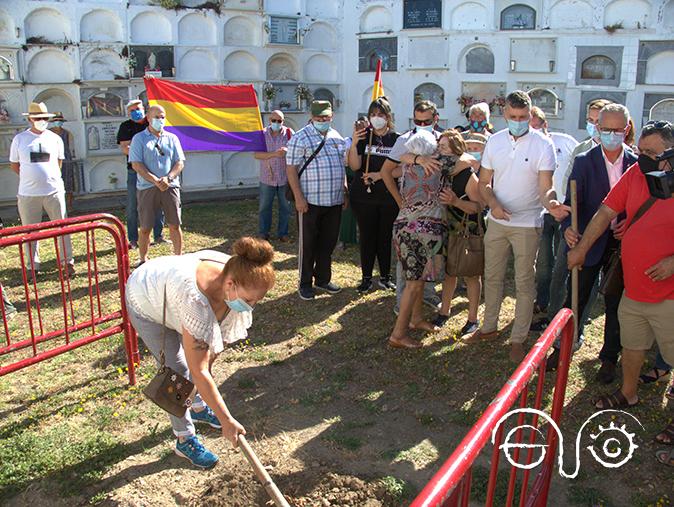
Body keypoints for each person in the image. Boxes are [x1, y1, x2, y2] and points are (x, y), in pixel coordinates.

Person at [567, 120, 674, 466]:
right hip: (634, 288)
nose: (640, 158)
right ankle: (629, 393)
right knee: (632, 345)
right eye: (640, 150)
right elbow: (605, 213)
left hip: (670, 296)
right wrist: (583, 247)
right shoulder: (635, 176)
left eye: (650, 153)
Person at [126, 237, 275, 468]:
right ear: (230, 285)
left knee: (192, 369)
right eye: (249, 300)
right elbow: (199, 370)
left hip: (171, 293)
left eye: (258, 300)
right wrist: (227, 421)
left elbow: (210, 353)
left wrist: (204, 388)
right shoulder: (196, 300)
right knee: (178, 371)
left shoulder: (240, 271)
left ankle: (197, 407)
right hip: (146, 297)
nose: (252, 305)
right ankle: (184, 439)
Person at [467, 90, 568, 362]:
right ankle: (489, 327)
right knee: (492, 276)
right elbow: (484, 182)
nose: (518, 121)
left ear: (530, 114)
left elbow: (546, 188)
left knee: (524, 281)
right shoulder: (495, 142)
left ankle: (518, 338)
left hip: (527, 224)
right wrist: (493, 203)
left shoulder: (542, 145)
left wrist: (552, 205)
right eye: (513, 116)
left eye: (523, 117)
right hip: (497, 222)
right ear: (504, 115)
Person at [552, 104, 637, 382]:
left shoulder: (636, 164)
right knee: (575, 295)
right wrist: (568, 229)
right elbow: (570, 205)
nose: (612, 135)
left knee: (615, 303)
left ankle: (609, 358)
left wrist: (632, 223)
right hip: (588, 240)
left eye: (617, 130)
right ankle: (563, 347)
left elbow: (643, 205)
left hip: (621, 244)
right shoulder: (584, 161)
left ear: (626, 130)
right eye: (606, 129)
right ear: (597, 129)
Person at [531, 98, 612, 336]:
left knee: (590, 276)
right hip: (574, 221)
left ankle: (579, 323)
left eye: (599, 122)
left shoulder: (626, 157)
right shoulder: (581, 150)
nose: (594, 126)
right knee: (559, 270)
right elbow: (568, 186)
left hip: (601, 226)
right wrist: (566, 219)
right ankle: (553, 319)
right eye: (590, 120)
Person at [383, 129, 448, 349]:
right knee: (413, 283)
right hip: (419, 232)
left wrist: (415, 157)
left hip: (405, 228)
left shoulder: (406, 167)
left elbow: (395, 163)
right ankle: (398, 334)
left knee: (418, 279)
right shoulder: (439, 167)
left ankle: (416, 318)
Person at [381, 100, 443, 314]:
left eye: (426, 121)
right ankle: (402, 301)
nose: (422, 124)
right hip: (409, 211)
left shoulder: (442, 140)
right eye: (417, 120)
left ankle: (427, 294)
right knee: (405, 258)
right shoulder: (404, 140)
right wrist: (398, 201)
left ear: (436, 118)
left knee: (432, 255)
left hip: (435, 211)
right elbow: (386, 171)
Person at [286, 100, 346, 301]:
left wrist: (344, 189)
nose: (323, 120)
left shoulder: (336, 137)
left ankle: (322, 279)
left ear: (331, 117)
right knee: (308, 244)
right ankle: (305, 283)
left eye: (326, 117)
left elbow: (341, 165)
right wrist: (298, 197)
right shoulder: (300, 137)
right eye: (319, 117)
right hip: (309, 201)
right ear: (311, 117)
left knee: (327, 243)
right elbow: (291, 169)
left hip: (334, 201)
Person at [9, 102, 74, 277]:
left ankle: (67, 262)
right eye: (37, 118)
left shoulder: (54, 138)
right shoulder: (20, 139)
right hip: (28, 193)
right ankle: (32, 266)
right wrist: (31, 177)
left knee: (62, 227)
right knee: (29, 231)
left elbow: (59, 162)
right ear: (30, 119)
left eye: (44, 118)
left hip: (53, 190)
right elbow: (15, 165)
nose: (41, 121)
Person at [529, 107, 579, 315]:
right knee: (543, 262)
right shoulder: (526, 146)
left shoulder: (565, 141)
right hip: (541, 211)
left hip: (565, 211)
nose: (532, 131)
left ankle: (562, 305)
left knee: (563, 261)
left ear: (545, 125)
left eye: (535, 125)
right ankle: (542, 300)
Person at [432, 130, 483, 336]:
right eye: (439, 146)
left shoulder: (467, 175)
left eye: (444, 147)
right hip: (446, 229)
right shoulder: (440, 172)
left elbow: (479, 206)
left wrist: (456, 201)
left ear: (455, 151)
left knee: (471, 275)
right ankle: (444, 311)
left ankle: (472, 318)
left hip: (467, 231)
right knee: (448, 273)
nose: (440, 151)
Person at [347, 97, 400, 293]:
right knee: (367, 237)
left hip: (388, 197)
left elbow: (402, 169)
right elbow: (354, 166)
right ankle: (366, 278)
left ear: (388, 116)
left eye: (381, 114)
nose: (377, 118)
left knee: (385, 237)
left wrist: (380, 175)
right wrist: (353, 144)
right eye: (373, 114)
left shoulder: (397, 139)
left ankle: (385, 277)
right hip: (363, 198)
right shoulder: (363, 137)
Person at [129, 105, 185, 265]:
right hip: (147, 188)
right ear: (148, 118)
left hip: (170, 186)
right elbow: (136, 164)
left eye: (162, 117)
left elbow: (179, 162)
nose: (160, 120)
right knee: (146, 226)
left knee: (174, 224)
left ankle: (178, 257)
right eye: (156, 117)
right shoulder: (139, 139)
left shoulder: (172, 138)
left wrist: (168, 178)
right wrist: (155, 180)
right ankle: (143, 259)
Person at [117, 99, 167, 250]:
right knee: (133, 205)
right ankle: (133, 239)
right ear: (128, 113)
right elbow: (125, 148)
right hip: (135, 171)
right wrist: (144, 150)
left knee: (159, 203)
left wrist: (138, 149)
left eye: (138, 108)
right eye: (132, 110)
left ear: (144, 109)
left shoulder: (152, 123)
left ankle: (158, 235)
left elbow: (160, 145)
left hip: (155, 171)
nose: (136, 112)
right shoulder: (125, 127)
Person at [253, 110, 293, 242]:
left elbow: (297, 151)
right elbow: (257, 155)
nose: (276, 123)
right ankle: (264, 233)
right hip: (267, 178)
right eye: (274, 120)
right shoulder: (262, 134)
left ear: (283, 121)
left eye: (279, 121)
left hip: (284, 177)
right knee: (264, 207)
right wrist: (275, 154)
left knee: (285, 207)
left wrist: (287, 150)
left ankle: (283, 233)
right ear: (269, 120)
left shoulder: (289, 133)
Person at [49, 112, 76, 211]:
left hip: (66, 159)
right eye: (56, 121)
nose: (58, 122)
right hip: (52, 160)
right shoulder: (48, 132)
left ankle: (69, 205)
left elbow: (69, 145)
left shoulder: (66, 133)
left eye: (60, 121)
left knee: (68, 182)